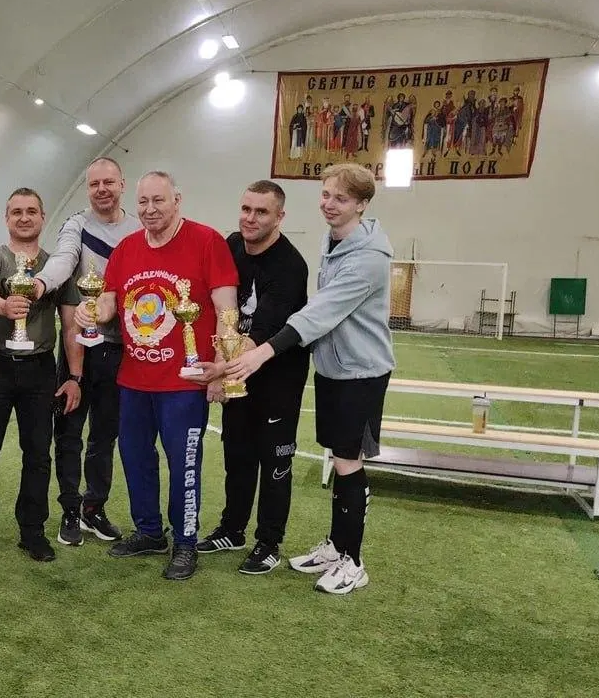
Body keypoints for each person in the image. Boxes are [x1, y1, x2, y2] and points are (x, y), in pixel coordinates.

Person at [225, 162, 395, 595]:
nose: (329, 205)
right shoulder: (335, 240)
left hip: (361, 372)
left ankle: (353, 561)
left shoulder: (369, 259)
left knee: (349, 462)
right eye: (326, 195)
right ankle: (336, 546)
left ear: (362, 204)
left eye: (341, 199)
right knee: (338, 456)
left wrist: (262, 351)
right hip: (334, 368)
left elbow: (319, 314)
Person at [75, 171, 238, 581]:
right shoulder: (127, 248)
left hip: (185, 381)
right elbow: (109, 302)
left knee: (184, 464)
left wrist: (221, 369)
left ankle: (185, 542)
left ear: (176, 200)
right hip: (133, 379)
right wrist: (91, 311)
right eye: (143, 202)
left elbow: (227, 310)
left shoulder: (207, 241)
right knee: (135, 458)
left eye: (158, 201)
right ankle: (149, 532)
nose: (150, 210)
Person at [0, 188, 81, 564]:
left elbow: (71, 324)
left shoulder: (57, 267)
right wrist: (2, 306)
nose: (24, 218)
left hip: (40, 370)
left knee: (38, 453)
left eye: (31, 211)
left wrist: (75, 376)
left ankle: (32, 532)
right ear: (6, 218)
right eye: (17, 212)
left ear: (42, 217)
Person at [196, 181, 310, 576]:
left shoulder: (290, 265)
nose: (250, 218)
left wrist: (217, 371)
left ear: (280, 217)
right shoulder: (231, 245)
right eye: (246, 209)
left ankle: (269, 542)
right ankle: (232, 529)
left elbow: (259, 334)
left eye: (261, 212)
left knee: (274, 460)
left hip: (277, 376)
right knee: (237, 453)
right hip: (236, 371)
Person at [31, 156, 141, 547]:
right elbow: (63, 261)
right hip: (79, 347)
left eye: (108, 182)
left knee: (105, 436)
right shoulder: (76, 225)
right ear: (87, 188)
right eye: (94, 183)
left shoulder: (138, 229)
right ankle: (69, 509)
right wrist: (41, 283)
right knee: (70, 433)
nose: (102, 190)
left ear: (122, 184)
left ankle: (94, 508)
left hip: (122, 349)